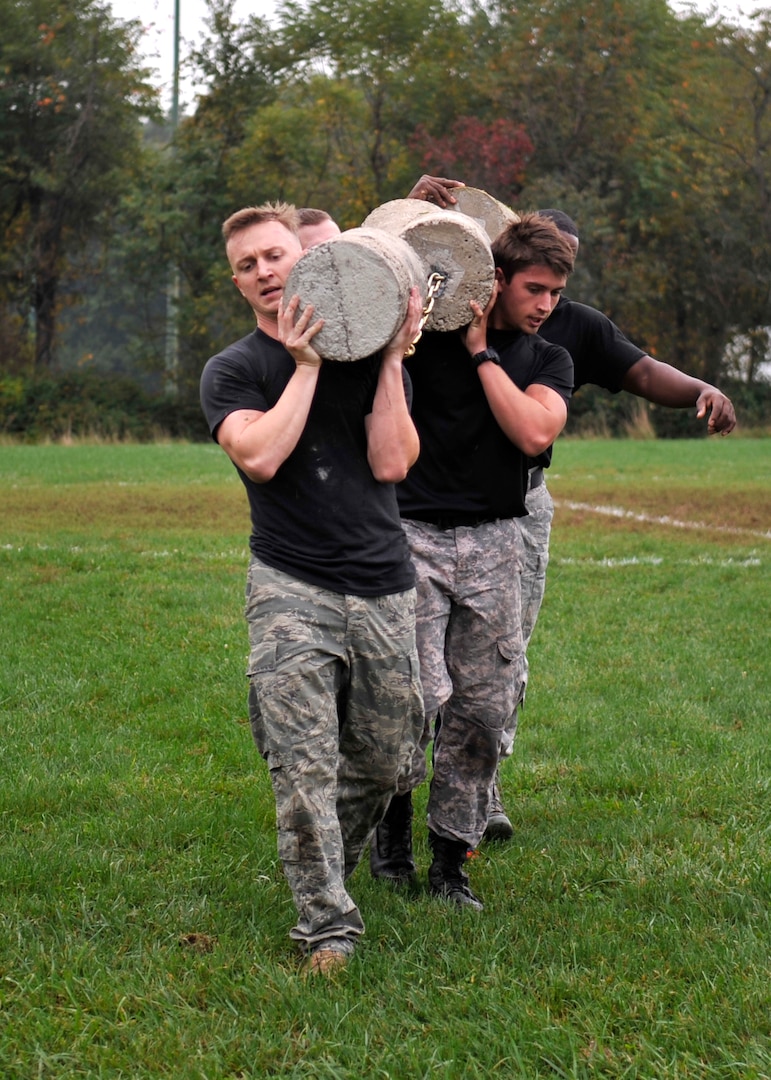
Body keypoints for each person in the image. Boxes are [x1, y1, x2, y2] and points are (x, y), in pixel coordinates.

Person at [406, 180, 737, 841]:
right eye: (539, 281)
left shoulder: (568, 329)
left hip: (513, 506)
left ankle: (480, 792)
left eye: (562, 278)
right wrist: (416, 216)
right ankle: (396, 809)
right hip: (427, 507)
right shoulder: (453, 321)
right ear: (499, 269)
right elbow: (393, 283)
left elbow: (638, 371)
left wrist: (699, 386)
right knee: (416, 670)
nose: (550, 297)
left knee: (500, 657)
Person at [199, 202, 425, 975]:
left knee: (386, 760)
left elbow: (393, 464)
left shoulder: (366, 355)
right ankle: (325, 925)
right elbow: (259, 457)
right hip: (290, 585)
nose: (263, 273)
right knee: (303, 765)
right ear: (236, 282)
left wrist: (392, 357)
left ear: (304, 258)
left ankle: (329, 866)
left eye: (273, 256)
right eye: (246, 265)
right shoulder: (233, 371)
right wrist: (303, 366)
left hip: (384, 585)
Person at [369, 214, 576, 909]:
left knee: (483, 712)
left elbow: (532, 430)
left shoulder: (546, 359)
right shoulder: (420, 347)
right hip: (411, 535)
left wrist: (485, 353)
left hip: (494, 541)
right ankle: (389, 839)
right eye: (534, 289)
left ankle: (450, 863)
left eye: (554, 292)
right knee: (414, 702)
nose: (545, 304)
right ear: (495, 283)